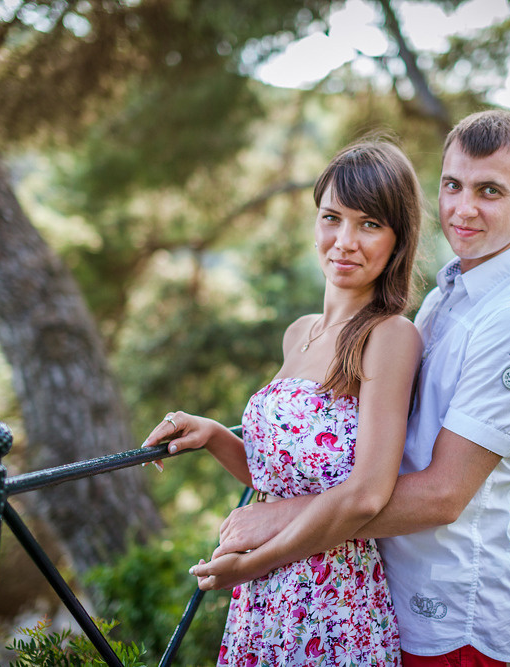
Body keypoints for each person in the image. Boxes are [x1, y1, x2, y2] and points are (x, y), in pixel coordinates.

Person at [199, 109, 510, 666]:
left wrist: (278, 516)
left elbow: (445, 495)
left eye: (490, 190)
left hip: (447, 614)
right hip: (373, 590)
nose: (464, 207)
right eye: (452, 185)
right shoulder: (450, 295)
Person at [141, 139, 424, 666]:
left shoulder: (390, 336)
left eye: (369, 225)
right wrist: (214, 436)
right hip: (264, 605)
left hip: (334, 604)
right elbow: (278, 478)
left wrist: (251, 565)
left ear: (397, 240)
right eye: (332, 218)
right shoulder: (299, 334)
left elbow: (365, 495)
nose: (344, 241)